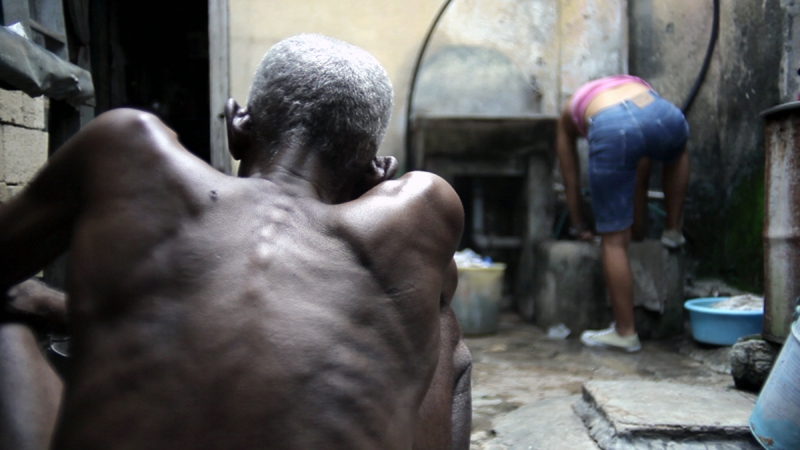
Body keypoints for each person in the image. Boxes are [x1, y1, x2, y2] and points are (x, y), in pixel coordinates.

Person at [0, 34, 471, 449]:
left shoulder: (125, 147)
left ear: (235, 125)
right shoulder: (425, 211)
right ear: (377, 172)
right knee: (438, 317)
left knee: (7, 307)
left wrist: (55, 306)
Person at [556, 75, 689, 352]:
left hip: (612, 127)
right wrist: (638, 231)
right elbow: (639, 168)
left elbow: (570, 180)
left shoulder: (569, 112)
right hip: (663, 114)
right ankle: (673, 230)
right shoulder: (632, 82)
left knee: (614, 242)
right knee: (676, 149)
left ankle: (625, 332)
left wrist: (579, 226)